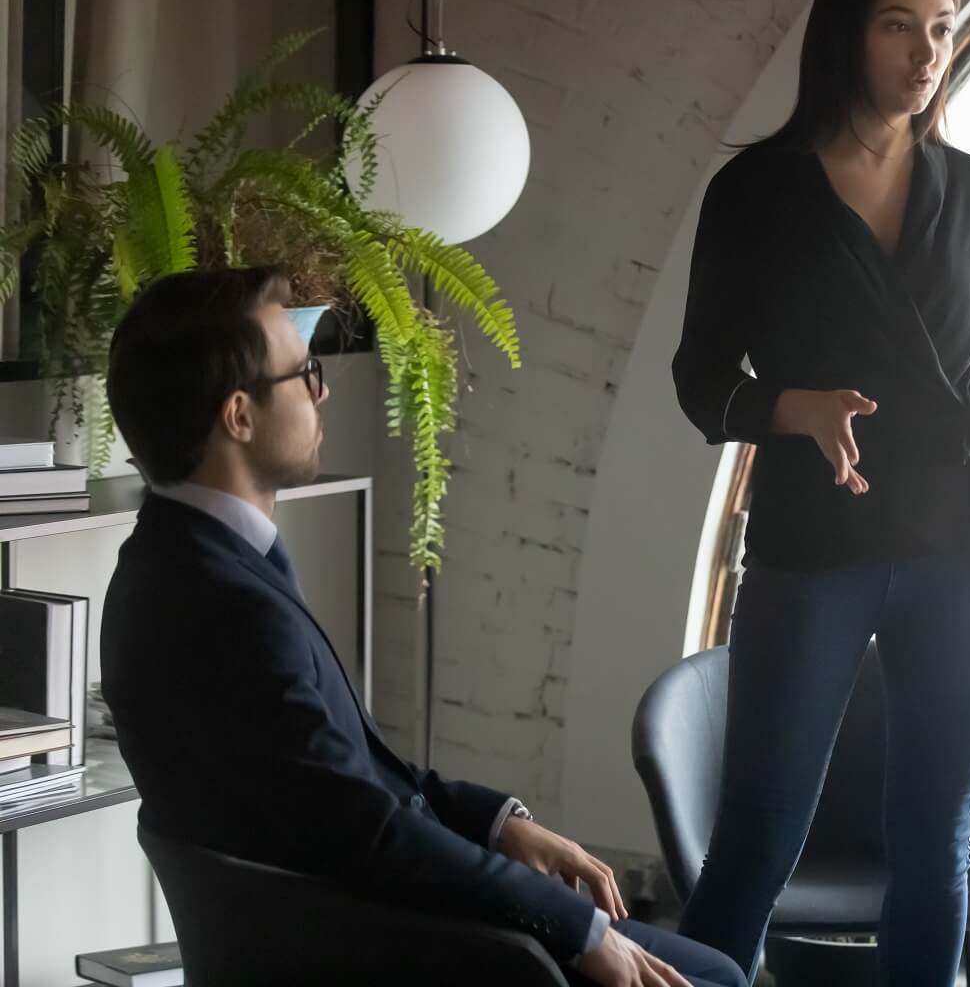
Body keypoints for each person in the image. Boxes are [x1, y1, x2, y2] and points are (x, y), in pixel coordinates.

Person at [101, 267, 744, 987]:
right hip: (381, 946)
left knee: (712, 966)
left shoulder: (184, 561)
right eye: (305, 373)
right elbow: (367, 831)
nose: (324, 391)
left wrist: (501, 824)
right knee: (714, 977)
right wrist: (569, 925)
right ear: (239, 417)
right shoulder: (224, 604)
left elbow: (355, 780)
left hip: (351, 919)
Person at [670, 0, 970, 986]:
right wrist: (795, 406)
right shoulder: (756, 191)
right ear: (846, 33)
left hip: (955, 541)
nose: (925, 53)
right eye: (899, 26)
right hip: (817, 542)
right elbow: (698, 380)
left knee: (936, 845)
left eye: (941, 29)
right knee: (758, 837)